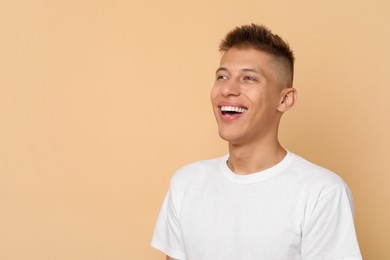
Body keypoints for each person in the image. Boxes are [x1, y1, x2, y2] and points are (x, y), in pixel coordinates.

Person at [151, 24, 362, 260]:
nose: (228, 89)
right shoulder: (186, 182)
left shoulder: (322, 192)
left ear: (285, 99)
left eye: (249, 78)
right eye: (222, 76)